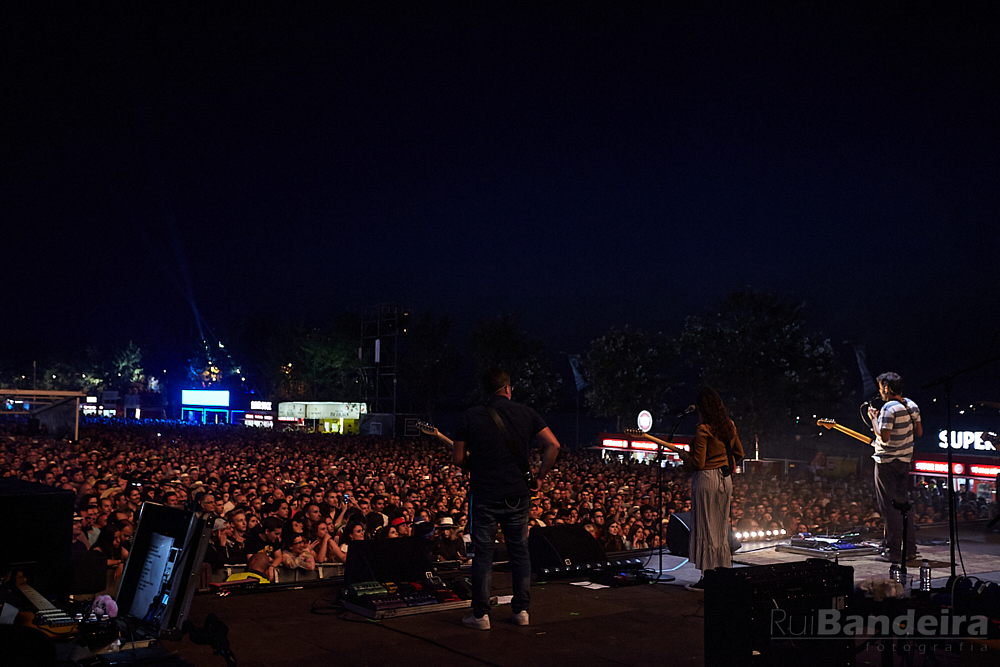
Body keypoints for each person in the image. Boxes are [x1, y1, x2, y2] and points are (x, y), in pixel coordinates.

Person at [453, 369, 560, 630]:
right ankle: (521, 611)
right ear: (508, 388)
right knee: (520, 553)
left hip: (485, 494)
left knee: (483, 556)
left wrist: (475, 462)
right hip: (517, 494)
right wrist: (540, 476)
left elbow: (457, 459)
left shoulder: (470, 415)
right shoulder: (527, 413)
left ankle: (480, 616)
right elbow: (553, 445)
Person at [685, 387, 744, 591]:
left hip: (707, 479)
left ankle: (708, 575)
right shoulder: (729, 426)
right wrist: (724, 464)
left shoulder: (703, 429)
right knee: (719, 528)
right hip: (725, 480)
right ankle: (721, 571)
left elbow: (698, 463)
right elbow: (739, 453)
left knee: (706, 528)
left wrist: (684, 457)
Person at [867, 372, 921, 564]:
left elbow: (884, 436)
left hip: (887, 463)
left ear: (887, 388)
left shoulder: (889, 409)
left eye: (881, 387)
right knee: (903, 506)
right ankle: (910, 550)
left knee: (889, 508)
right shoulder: (911, 405)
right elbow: (919, 432)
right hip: (904, 461)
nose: (880, 391)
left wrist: (874, 418)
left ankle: (893, 552)